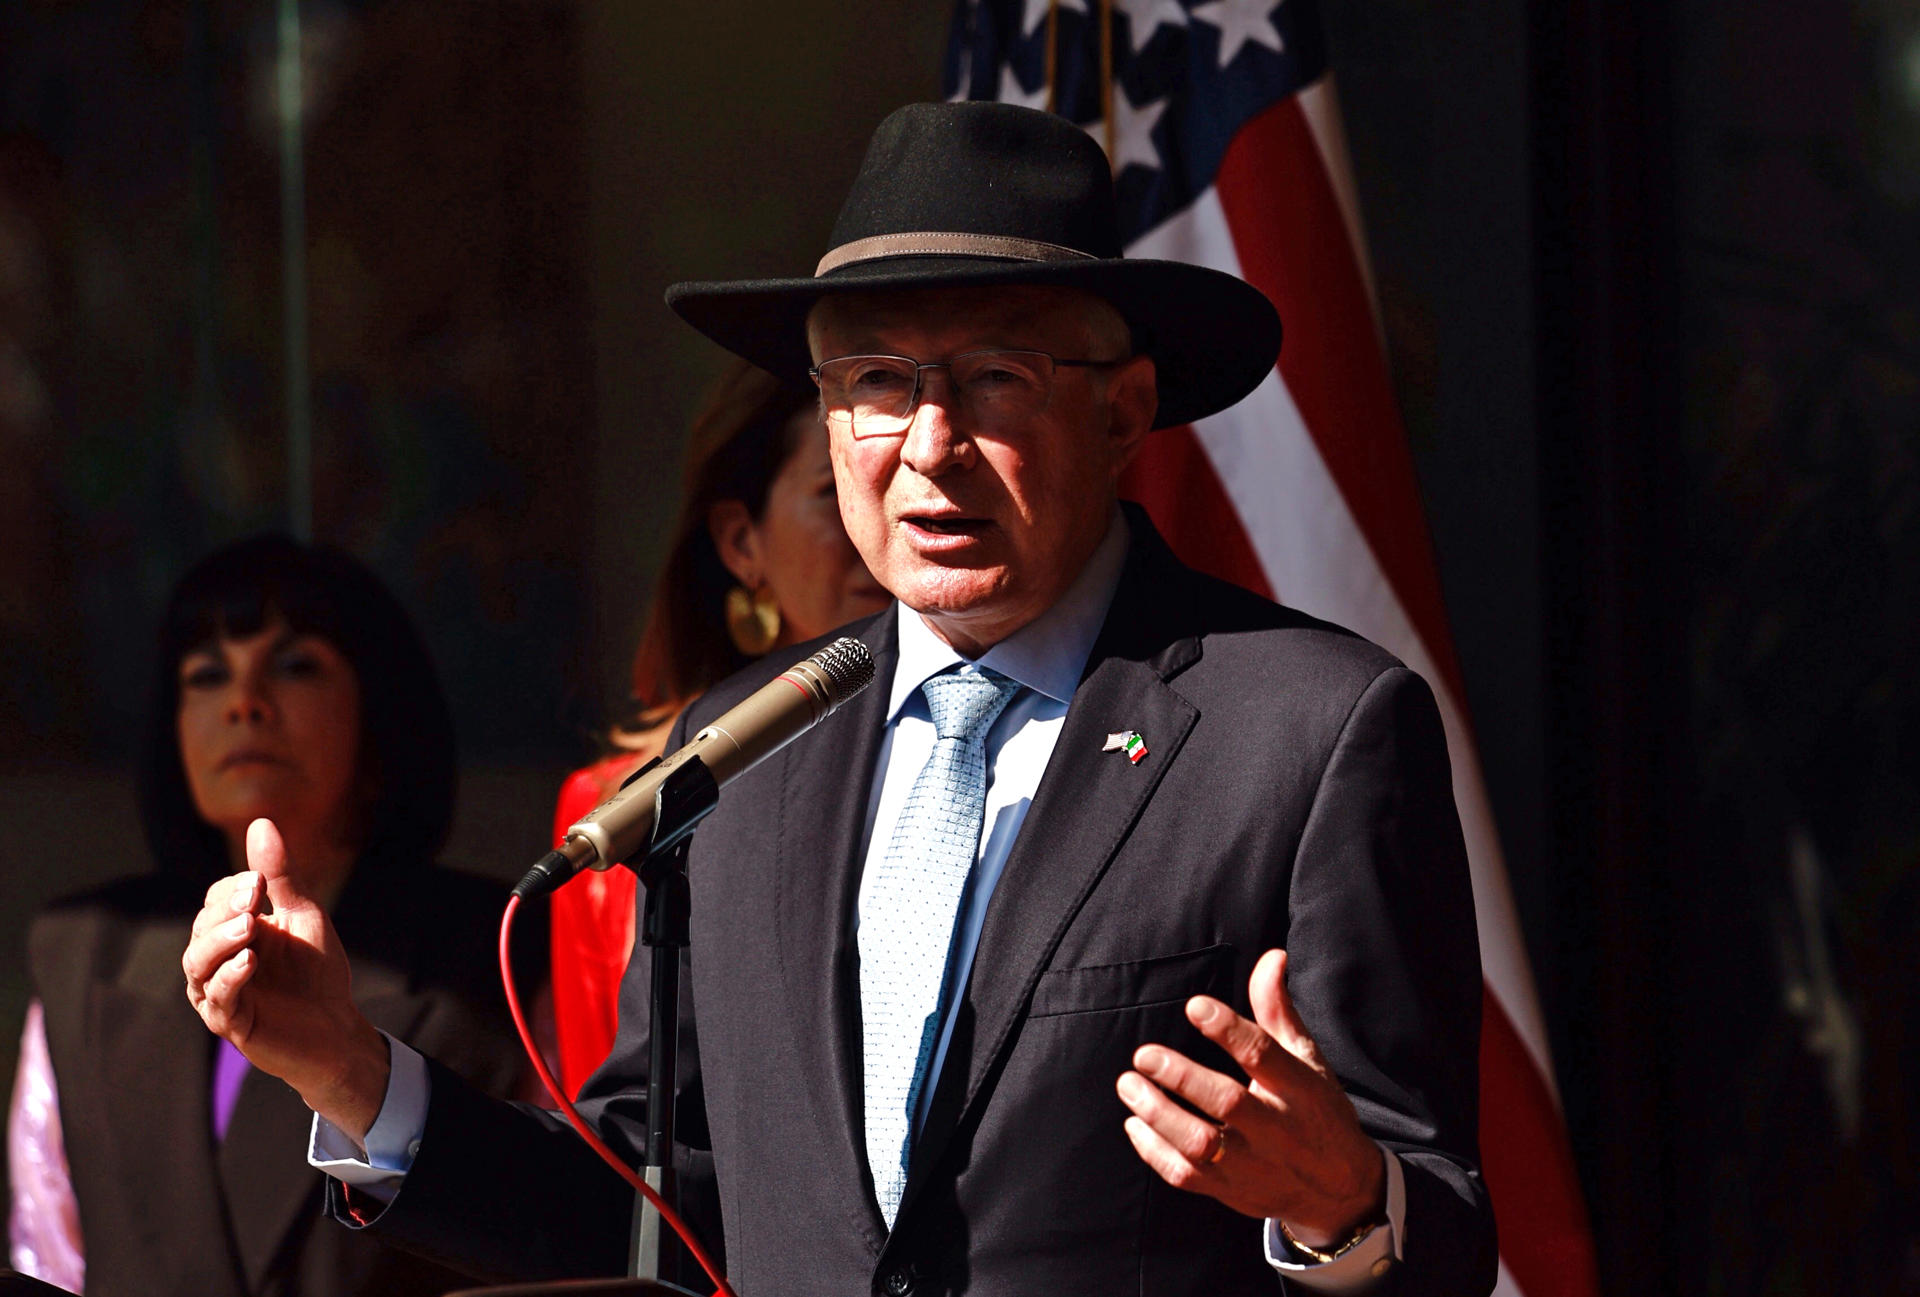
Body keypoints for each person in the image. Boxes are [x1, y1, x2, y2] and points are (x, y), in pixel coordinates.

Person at [181, 102, 1497, 1295]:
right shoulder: (741, 756)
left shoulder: (1308, 731)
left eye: (996, 379)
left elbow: (1431, 1215)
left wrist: (1340, 1207)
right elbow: (647, 1209)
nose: (929, 446)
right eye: (875, 384)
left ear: (1124, 410)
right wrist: (347, 1068)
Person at [9, 535, 539, 1297]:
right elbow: (44, 1248)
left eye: (295, 665)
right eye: (206, 674)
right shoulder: (81, 952)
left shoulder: (497, 951)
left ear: (378, 707)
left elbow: (546, 1237)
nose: (243, 700)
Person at [549, 360, 888, 1096]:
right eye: (838, 490)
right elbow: (609, 1136)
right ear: (741, 543)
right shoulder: (623, 806)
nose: (882, 514)